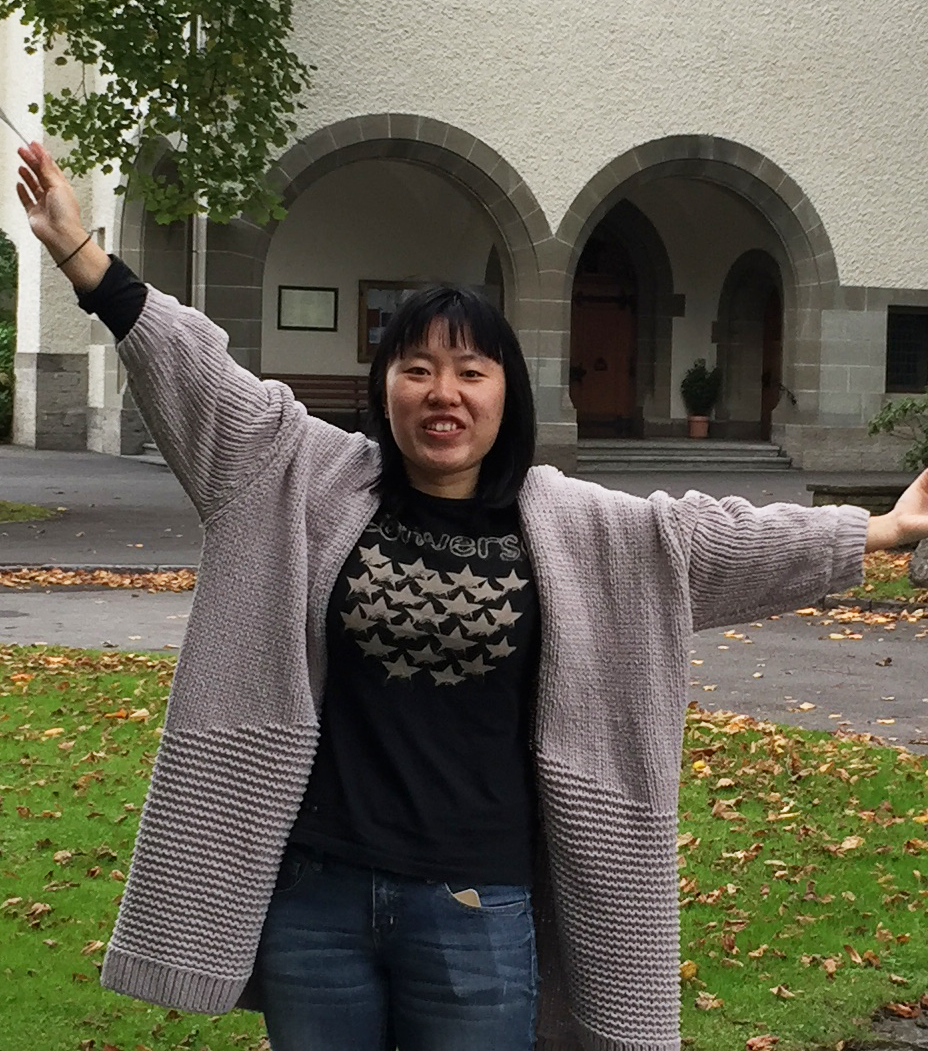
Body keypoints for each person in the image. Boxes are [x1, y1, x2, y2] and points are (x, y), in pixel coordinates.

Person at [15, 139, 928, 1051]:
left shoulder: (577, 525)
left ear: (506, 395)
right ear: (385, 387)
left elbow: (714, 538)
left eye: (470, 372)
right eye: (416, 368)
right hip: (318, 895)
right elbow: (199, 377)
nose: (441, 392)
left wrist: (883, 529)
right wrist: (80, 255)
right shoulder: (302, 475)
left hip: (476, 906)